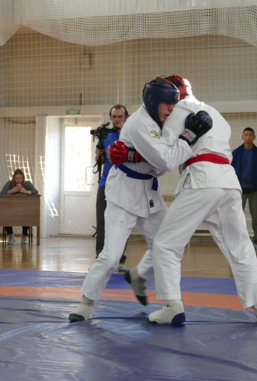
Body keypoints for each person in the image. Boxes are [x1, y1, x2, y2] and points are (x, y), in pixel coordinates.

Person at [130, 75, 257, 325]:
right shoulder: (216, 113)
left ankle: (172, 305)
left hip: (201, 180)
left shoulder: (179, 111)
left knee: (165, 244)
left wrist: (133, 155)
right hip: (229, 183)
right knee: (240, 246)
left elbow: (164, 157)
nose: (167, 108)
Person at [68, 77, 205, 323]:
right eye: (168, 103)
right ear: (153, 101)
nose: (172, 108)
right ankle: (86, 303)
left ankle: (155, 289)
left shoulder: (162, 121)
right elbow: (166, 161)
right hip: (123, 194)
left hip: (149, 193)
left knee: (168, 244)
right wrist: (189, 137)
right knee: (110, 256)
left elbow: (162, 168)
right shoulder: (140, 123)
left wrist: (135, 154)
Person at [95, 104, 130, 272]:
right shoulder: (105, 134)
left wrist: (125, 131)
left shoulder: (131, 133)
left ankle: (120, 258)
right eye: (114, 117)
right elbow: (101, 161)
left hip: (125, 183)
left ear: (126, 118)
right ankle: (100, 257)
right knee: (102, 219)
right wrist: (98, 155)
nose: (116, 120)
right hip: (105, 182)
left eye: (120, 117)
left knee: (122, 221)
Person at [231, 127, 257, 250]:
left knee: (256, 216)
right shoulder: (236, 152)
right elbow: (229, 170)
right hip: (239, 189)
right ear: (242, 136)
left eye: (250, 135)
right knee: (237, 215)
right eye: (246, 135)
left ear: (254, 137)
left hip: (255, 189)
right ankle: (237, 240)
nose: (248, 137)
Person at [0, 169, 39, 245]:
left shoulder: (27, 184)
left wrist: (26, 191)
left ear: (23, 178)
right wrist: (11, 191)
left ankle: (24, 235)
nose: (18, 180)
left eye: (20, 179)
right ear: (14, 178)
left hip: (23, 208)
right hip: (11, 208)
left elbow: (35, 191)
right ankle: (11, 235)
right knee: (6, 215)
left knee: (27, 216)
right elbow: (2, 193)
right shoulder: (9, 183)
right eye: (17, 178)